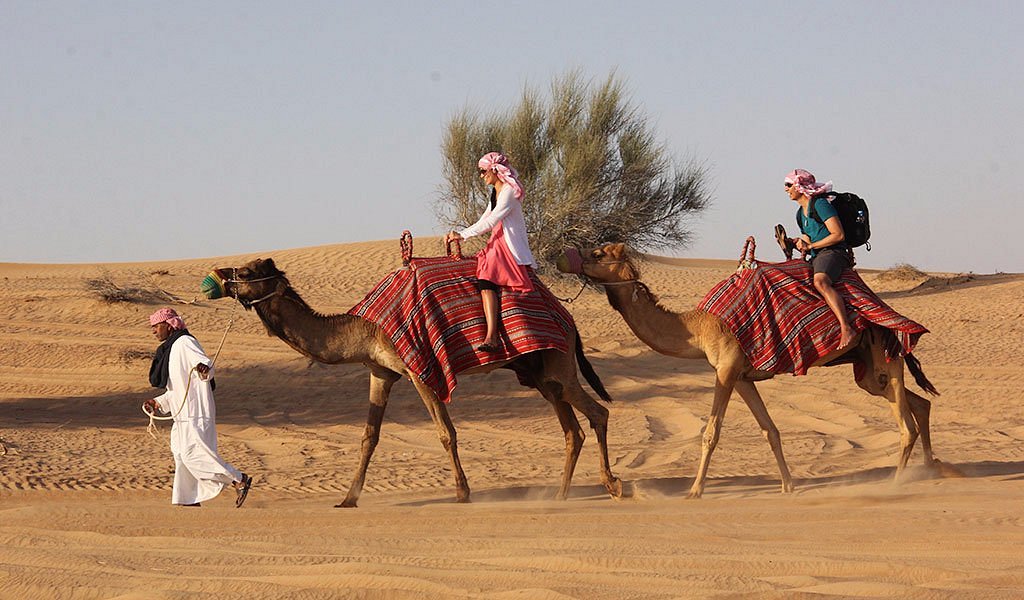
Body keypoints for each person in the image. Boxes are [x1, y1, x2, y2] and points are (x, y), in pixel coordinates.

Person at [145, 308, 253, 507]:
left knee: (191, 454)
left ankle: (238, 479)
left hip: (195, 412)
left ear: (169, 325)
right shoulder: (171, 349)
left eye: (156, 326)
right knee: (180, 455)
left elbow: (205, 366)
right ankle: (188, 499)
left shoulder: (185, 343)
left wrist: (205, 369)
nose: (154, 331)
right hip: (181, 413)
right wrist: (158, 402)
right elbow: (178, 387)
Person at [444, 152, 536, 353]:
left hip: (507, 244)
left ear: (495, 169)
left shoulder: (510, 191)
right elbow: (484, 218)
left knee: (486, 278)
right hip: (496, 240)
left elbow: (493, 220)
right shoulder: (496, 192)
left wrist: (462, 235)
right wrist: (460, 233)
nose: (481, 175)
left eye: (483, 171)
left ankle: (492, 336)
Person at [784, 169, 857, 350]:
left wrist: (810, 247)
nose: (786, 189)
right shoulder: (800, 214)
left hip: (834, 252)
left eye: (788, 184)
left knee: (820, 281)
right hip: (818, 255)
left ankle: (846, 328)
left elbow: (838, 234)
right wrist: (794, 243)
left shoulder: (820, 205)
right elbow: (808, 239)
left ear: (799, 186)